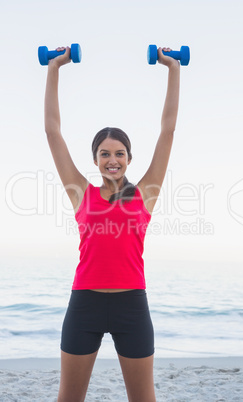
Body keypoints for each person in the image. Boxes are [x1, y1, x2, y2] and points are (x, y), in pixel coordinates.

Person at [44, 45, 180, 402]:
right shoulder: (80, 193)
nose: (112, 159)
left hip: (132, 306)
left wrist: (173, 68)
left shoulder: (145, 193)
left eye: (119, 153)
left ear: (129, 158)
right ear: (96, 159)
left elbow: (167, 131)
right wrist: (54, 67)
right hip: (84, 304)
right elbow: (53, 133)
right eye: (105, 153)